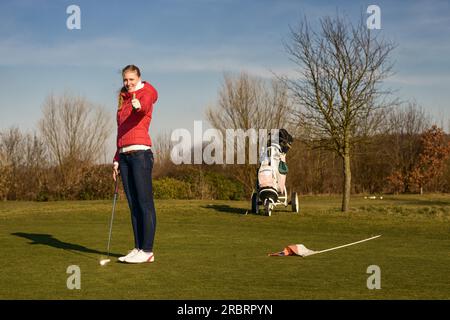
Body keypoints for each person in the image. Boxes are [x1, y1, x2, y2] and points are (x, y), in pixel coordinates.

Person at [112, 64, 158, 263]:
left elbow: (146, 105)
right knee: (133, 205)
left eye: (131, 79)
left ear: (138, 77)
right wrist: (116, 159)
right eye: (125, 80)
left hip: (140, 154)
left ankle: (147, 251)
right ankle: (138, 247)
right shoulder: (123, 100)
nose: (128, 83)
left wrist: (139, 105)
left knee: (144, 203)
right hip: (124, 156)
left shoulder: (145, 92)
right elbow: (121, 132)